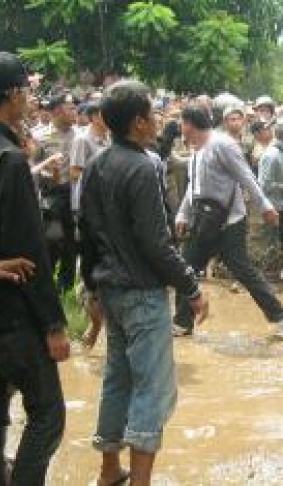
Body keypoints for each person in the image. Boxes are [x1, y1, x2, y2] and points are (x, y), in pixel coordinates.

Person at [79, 80, 206, 486]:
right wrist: (192, 286)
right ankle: (141, 481)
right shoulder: (145, 165)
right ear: (138, 123)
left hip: (111, 290)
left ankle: (109, 471)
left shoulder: (98, 163)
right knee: (152, 389)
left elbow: (87, 231)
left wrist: (91, 289)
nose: (157, 120)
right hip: (143, 292)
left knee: (117, 379)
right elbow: (157, 242)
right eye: (152, 113)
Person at [0, 51, 70, 486]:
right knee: (48, 416)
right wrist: (54, 325)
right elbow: (30, 251)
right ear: (13, 95)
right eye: (28, 91)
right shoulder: (9, 159)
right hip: (13, 316)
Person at [172, 105, 283, 341]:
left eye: (181, 123)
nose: (180, 128)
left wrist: (265, 206)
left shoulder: (223, 145)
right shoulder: (196, 148)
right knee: (185, 269)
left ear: (189, 125)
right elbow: (193, 187)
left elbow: (246, 177)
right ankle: (182, 323)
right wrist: (183, 214)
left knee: (243, 271)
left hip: (229, 222)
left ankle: (280, 319)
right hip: (203, 220)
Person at [69, 100, 110, 350]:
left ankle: (98, 323)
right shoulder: (83, 140)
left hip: (105, 214)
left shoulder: (109, 141)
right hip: (85, 211)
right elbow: (74, 173)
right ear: (95, 117)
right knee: (89, 270)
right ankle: (92, 323)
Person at [35, 91, 79, 294]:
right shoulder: (40, 137)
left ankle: (66, 287)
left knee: (71, 242)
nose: (75, 111)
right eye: (70, 108)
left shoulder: (80, 136)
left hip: (74, 194)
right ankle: (45, 285)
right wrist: (47, 172)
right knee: (51, 241)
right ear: (58, 111)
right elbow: (33, 167)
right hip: (51, 196)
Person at [259, 117, 283, 253]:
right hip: (271, 206)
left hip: (281, 204)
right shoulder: (272, 155)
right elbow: (264, 184)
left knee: (281, 244)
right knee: (270, 245)